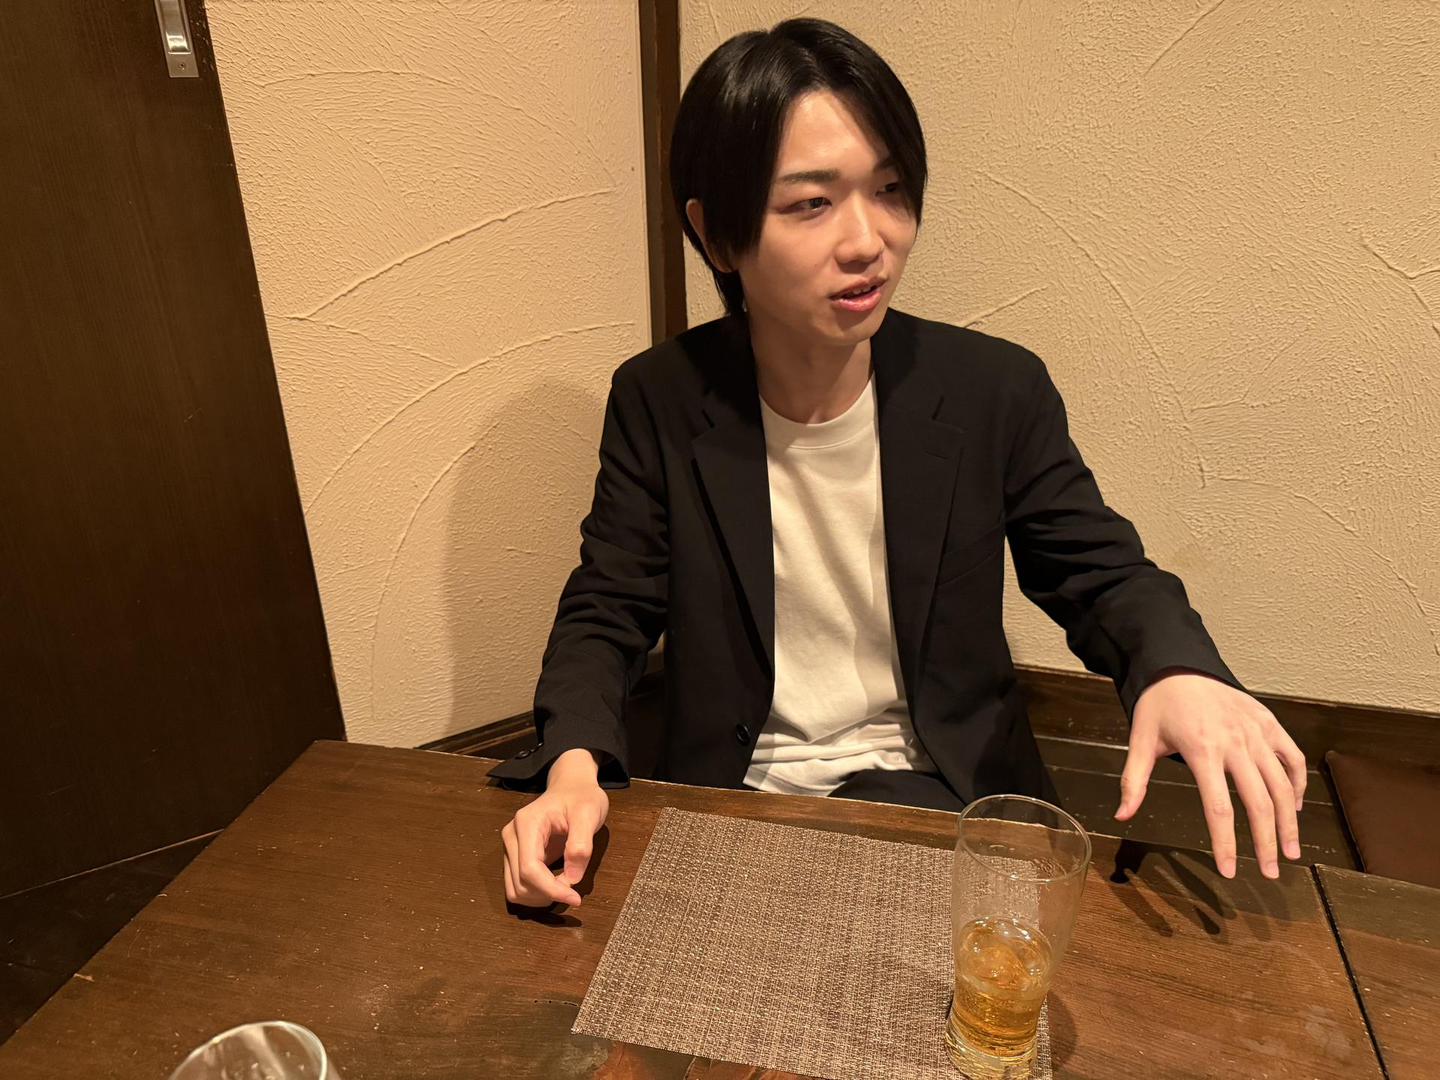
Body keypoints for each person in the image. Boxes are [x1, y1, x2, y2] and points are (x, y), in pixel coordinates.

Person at [494, 17, 1307, 909]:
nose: (867, 241)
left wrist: (1177, 668)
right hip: (738, 803)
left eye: (889, 189)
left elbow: (1100, 570)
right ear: (715, 235)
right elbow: (608, 605)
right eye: (811, 203)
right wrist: (573, 767)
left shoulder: (992, 390)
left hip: (943, 799)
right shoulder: (659, 398)